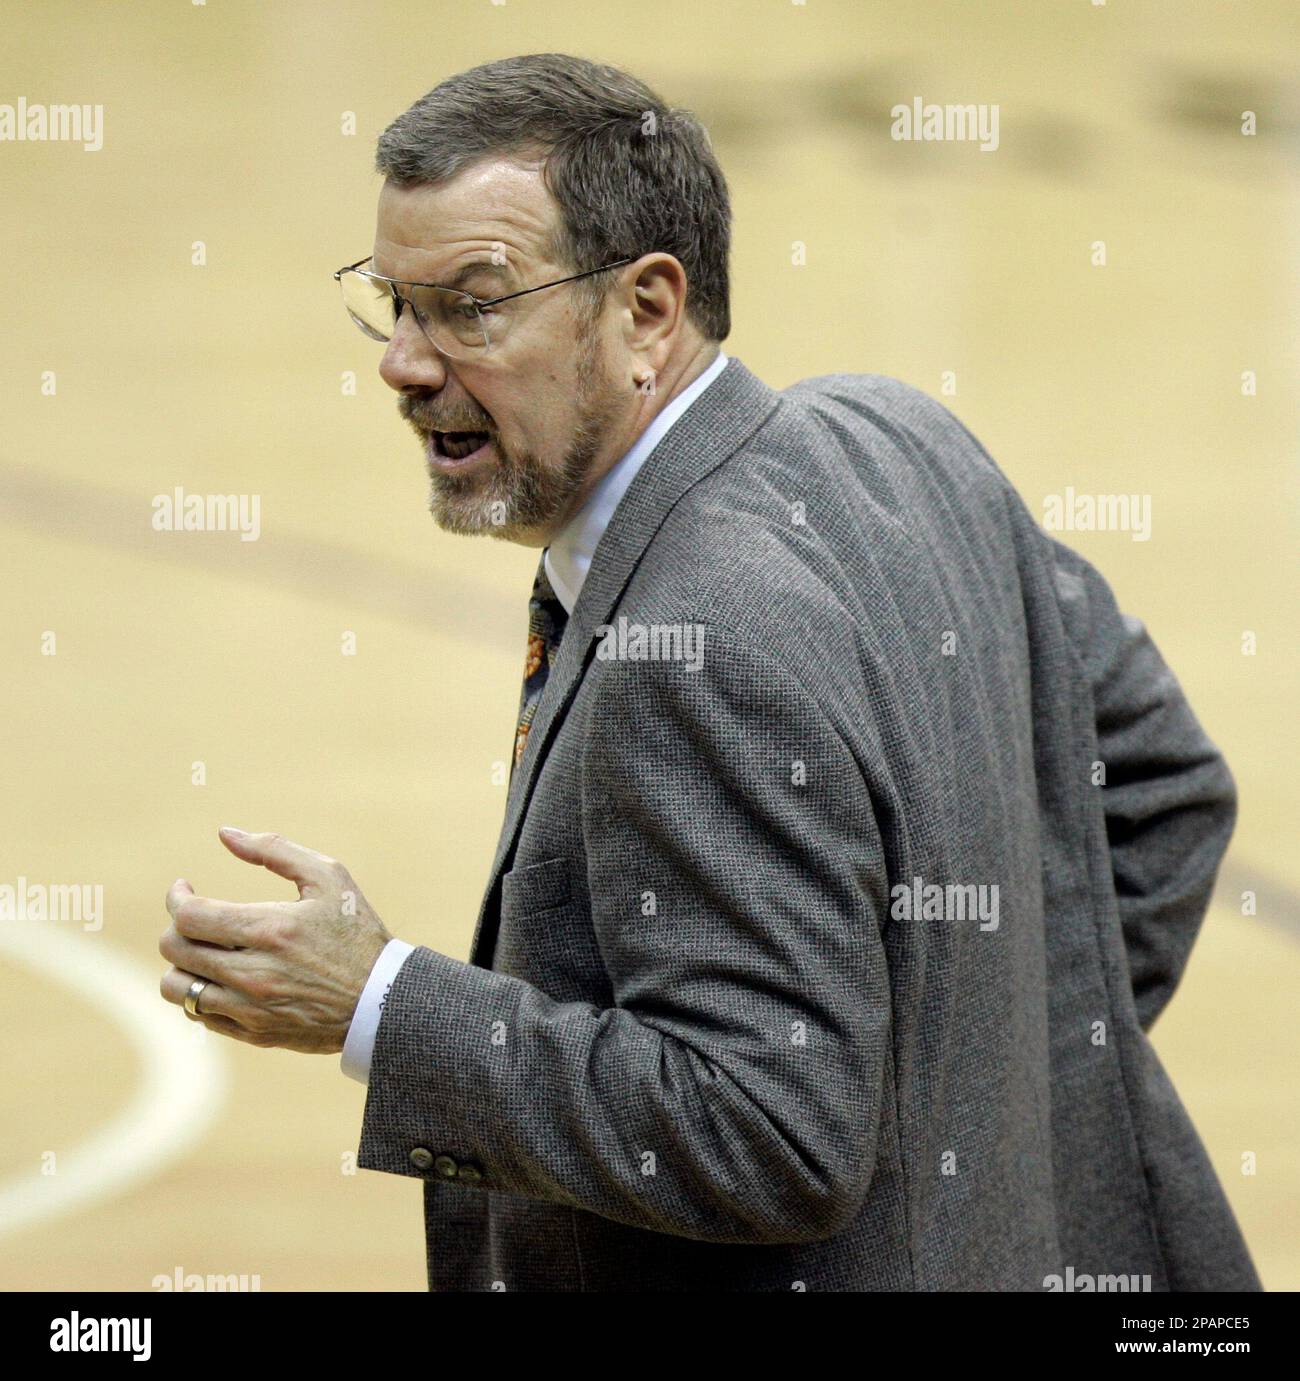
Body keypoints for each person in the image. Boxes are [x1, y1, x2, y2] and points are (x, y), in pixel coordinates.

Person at [160, 53, 1262, 1292]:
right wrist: (969, 1130)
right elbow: (1162, 797)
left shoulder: (693, 639)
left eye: (469, 306)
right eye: (395, 305)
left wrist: (381, 1003)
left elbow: (773, 1130)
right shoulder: (903, 440)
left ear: (645, 310)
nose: (405, 365)